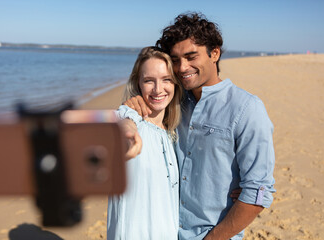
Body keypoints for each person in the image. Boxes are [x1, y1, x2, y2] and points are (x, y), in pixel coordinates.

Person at [124, 12, 276, 240]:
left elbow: (258, 192)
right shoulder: (174, 102)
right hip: (164, 231)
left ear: (214, 53)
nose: (182, 67)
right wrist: (132, 106)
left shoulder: (247, 108)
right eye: (175, 60)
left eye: (191, 56)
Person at [107, 46, 183, 239]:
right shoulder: (131, 121)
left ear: (175, 84)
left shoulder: (173, 135)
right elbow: (122, 125)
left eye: (166, 79)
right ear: (138, 83)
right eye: (149, 81)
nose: (158, 89)